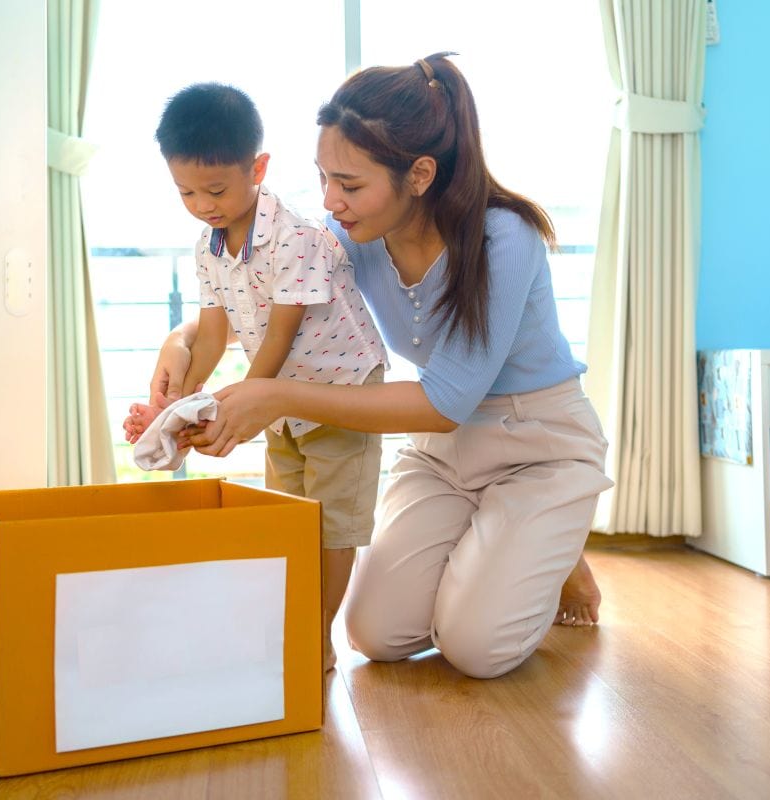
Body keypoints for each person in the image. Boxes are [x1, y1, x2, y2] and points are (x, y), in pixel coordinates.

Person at [151, 54, 613, 680]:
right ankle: (510, 545)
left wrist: (279, 396)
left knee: (474, 647)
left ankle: (551, 544)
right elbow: (257, 299)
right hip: (444, 458)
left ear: (419, 174)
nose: (330, 202)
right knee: (375, 634)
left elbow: (443, 402)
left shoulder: (505, 239)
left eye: (348, 183)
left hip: (537, 445)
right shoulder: (350, 239)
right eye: (322, 179)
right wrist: (178, 346)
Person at [125, 83, 388, 670]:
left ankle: (316, 636)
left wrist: (241, 401)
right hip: (280, 400)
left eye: (215, 189)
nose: (202, 204)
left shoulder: (292, 237)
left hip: (342, 389)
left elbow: (279, 335)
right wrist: (179, 403)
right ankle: (287, 623)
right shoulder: (209, 246)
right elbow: (214, 334)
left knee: (333, 524)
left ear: (258, 168)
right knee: (289, 515)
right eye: (186, 192)